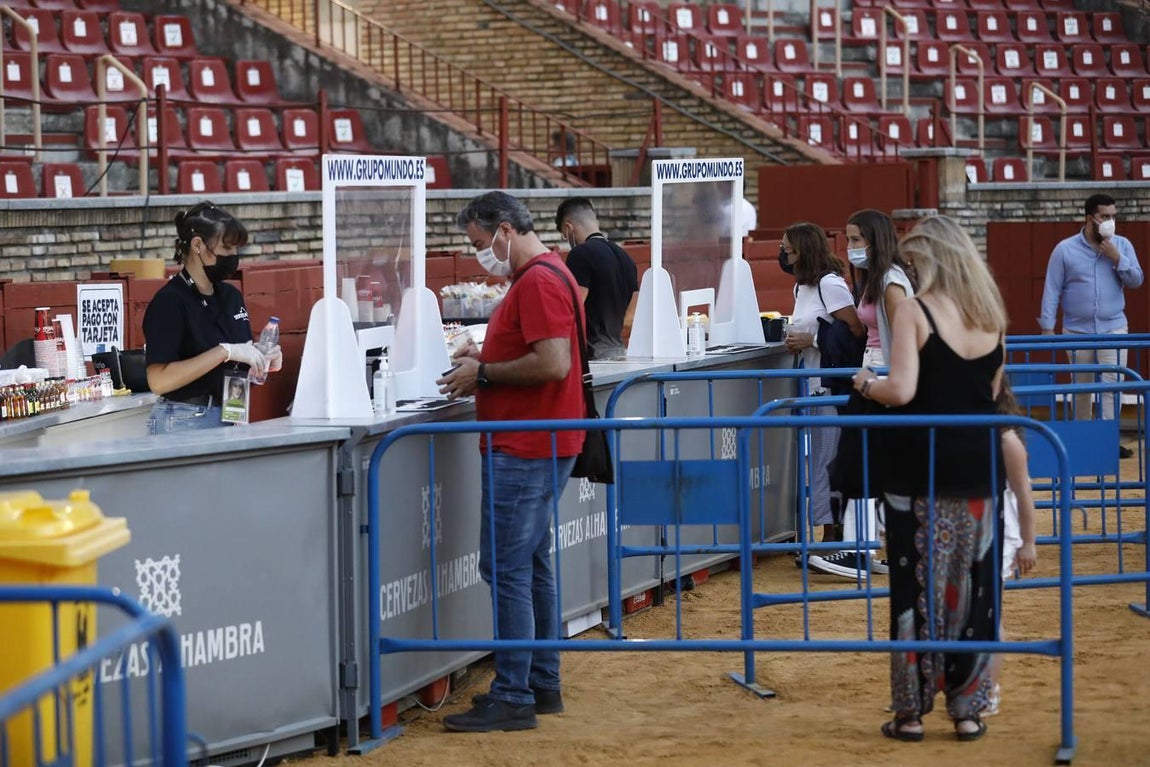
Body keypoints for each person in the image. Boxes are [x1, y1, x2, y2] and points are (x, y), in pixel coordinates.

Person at [852, 215, 1007, 742]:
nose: (911, 270)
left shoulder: (916, 312)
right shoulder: (991, 317)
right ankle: (968, 710)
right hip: (980, 471)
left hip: (919, 470)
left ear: (931, 260)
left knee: (913, 590)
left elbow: (901, 389)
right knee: (974, 590)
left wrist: (867, 384)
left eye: (915, 261)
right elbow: (991, 391)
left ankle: (911, 712)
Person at [436, 191, 586, 733]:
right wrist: (487, 361)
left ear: (503, 229)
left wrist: (485, 373)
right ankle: (538, 683)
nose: (480, 253)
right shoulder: (546, 276)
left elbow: (552, 362)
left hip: (525, 444)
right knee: (532, 566)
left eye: (479, 243)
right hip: (539, 439)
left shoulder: (540, 280)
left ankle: (516, 692)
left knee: (507, 567)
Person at [809, 209, 915, 579]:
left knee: (862, 463)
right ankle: (863, 546)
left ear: (875, 240)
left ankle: (860, 548)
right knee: (862, 465)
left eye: (856, 240)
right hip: (872, 376)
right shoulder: (877, 280)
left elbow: (903, 334)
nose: (850, 247)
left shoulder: (890, 282)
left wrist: (887, 380)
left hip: (882, 378)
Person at [142, 201, 280, 435]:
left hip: (230, 413)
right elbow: (158, 382)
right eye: (226, 249)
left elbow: (235, 364)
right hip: (185, 419)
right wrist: (224, 352)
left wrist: (260, 360)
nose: (233, 257)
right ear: (198, 245)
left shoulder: (231, 296)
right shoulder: (170, 301)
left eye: (236, 250)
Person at [1039, 193, 1143, 456]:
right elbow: (1052, 289)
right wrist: (1048, 328)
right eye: (1104, 217)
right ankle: (1083, 441)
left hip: (1114, 327)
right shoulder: (1065, 249)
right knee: (1081, 386)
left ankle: (1107, 441)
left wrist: (1118, 258)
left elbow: (1136, 281)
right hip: (1077, 330)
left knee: (1112, 386)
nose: (1110, 222)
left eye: (1113, 216)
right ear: (1090, 219)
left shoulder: (1122, 245)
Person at [781, 222, 865, 546]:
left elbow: (855, 331)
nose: (784, 255)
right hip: (813, 384)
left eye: (789, 249)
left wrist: (813, 339)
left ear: (804, 250)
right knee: (819, 460)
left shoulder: (830, 285)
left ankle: (833, 535)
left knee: (828, 460)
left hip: (831, 385)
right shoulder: (801, 287)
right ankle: (829, 534)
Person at [986, 379, 1038, 717]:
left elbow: (1023, 494)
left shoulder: (1007, 440)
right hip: (969, 523)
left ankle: (988, 688)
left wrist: (1029, 543)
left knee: (989, 611)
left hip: (1000, 528)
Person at [554, 197, 639, 360]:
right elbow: (630, 318)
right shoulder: (626, 258)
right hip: (620, 352)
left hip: (593, 354)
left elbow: (573, 306)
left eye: (565, 235)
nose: (567, 240)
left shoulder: (580, 254)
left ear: (568, 227)